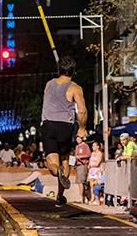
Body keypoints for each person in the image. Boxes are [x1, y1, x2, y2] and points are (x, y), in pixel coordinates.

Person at [41, 56, 87, 207]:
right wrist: (82, 128)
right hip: (64, 126)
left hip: (48, 124)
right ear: (73, 71)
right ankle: (60, 196)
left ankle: (57, 171)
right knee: (65, 159)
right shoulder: (75, 88)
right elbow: (82, 110)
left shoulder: (48, 84)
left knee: (51, 162)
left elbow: (45, 103)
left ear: (58, 69)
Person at [74, 134, 91, 203]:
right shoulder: (77, 146)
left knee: (82, 181)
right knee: (79, 182)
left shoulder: (85, 146)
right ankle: (81, 195)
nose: (78, 140)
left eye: (79, 138)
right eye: (77, 139)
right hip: (77, 165)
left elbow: (88, 154)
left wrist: (81, 157)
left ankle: (82, 197)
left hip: (83, 164)